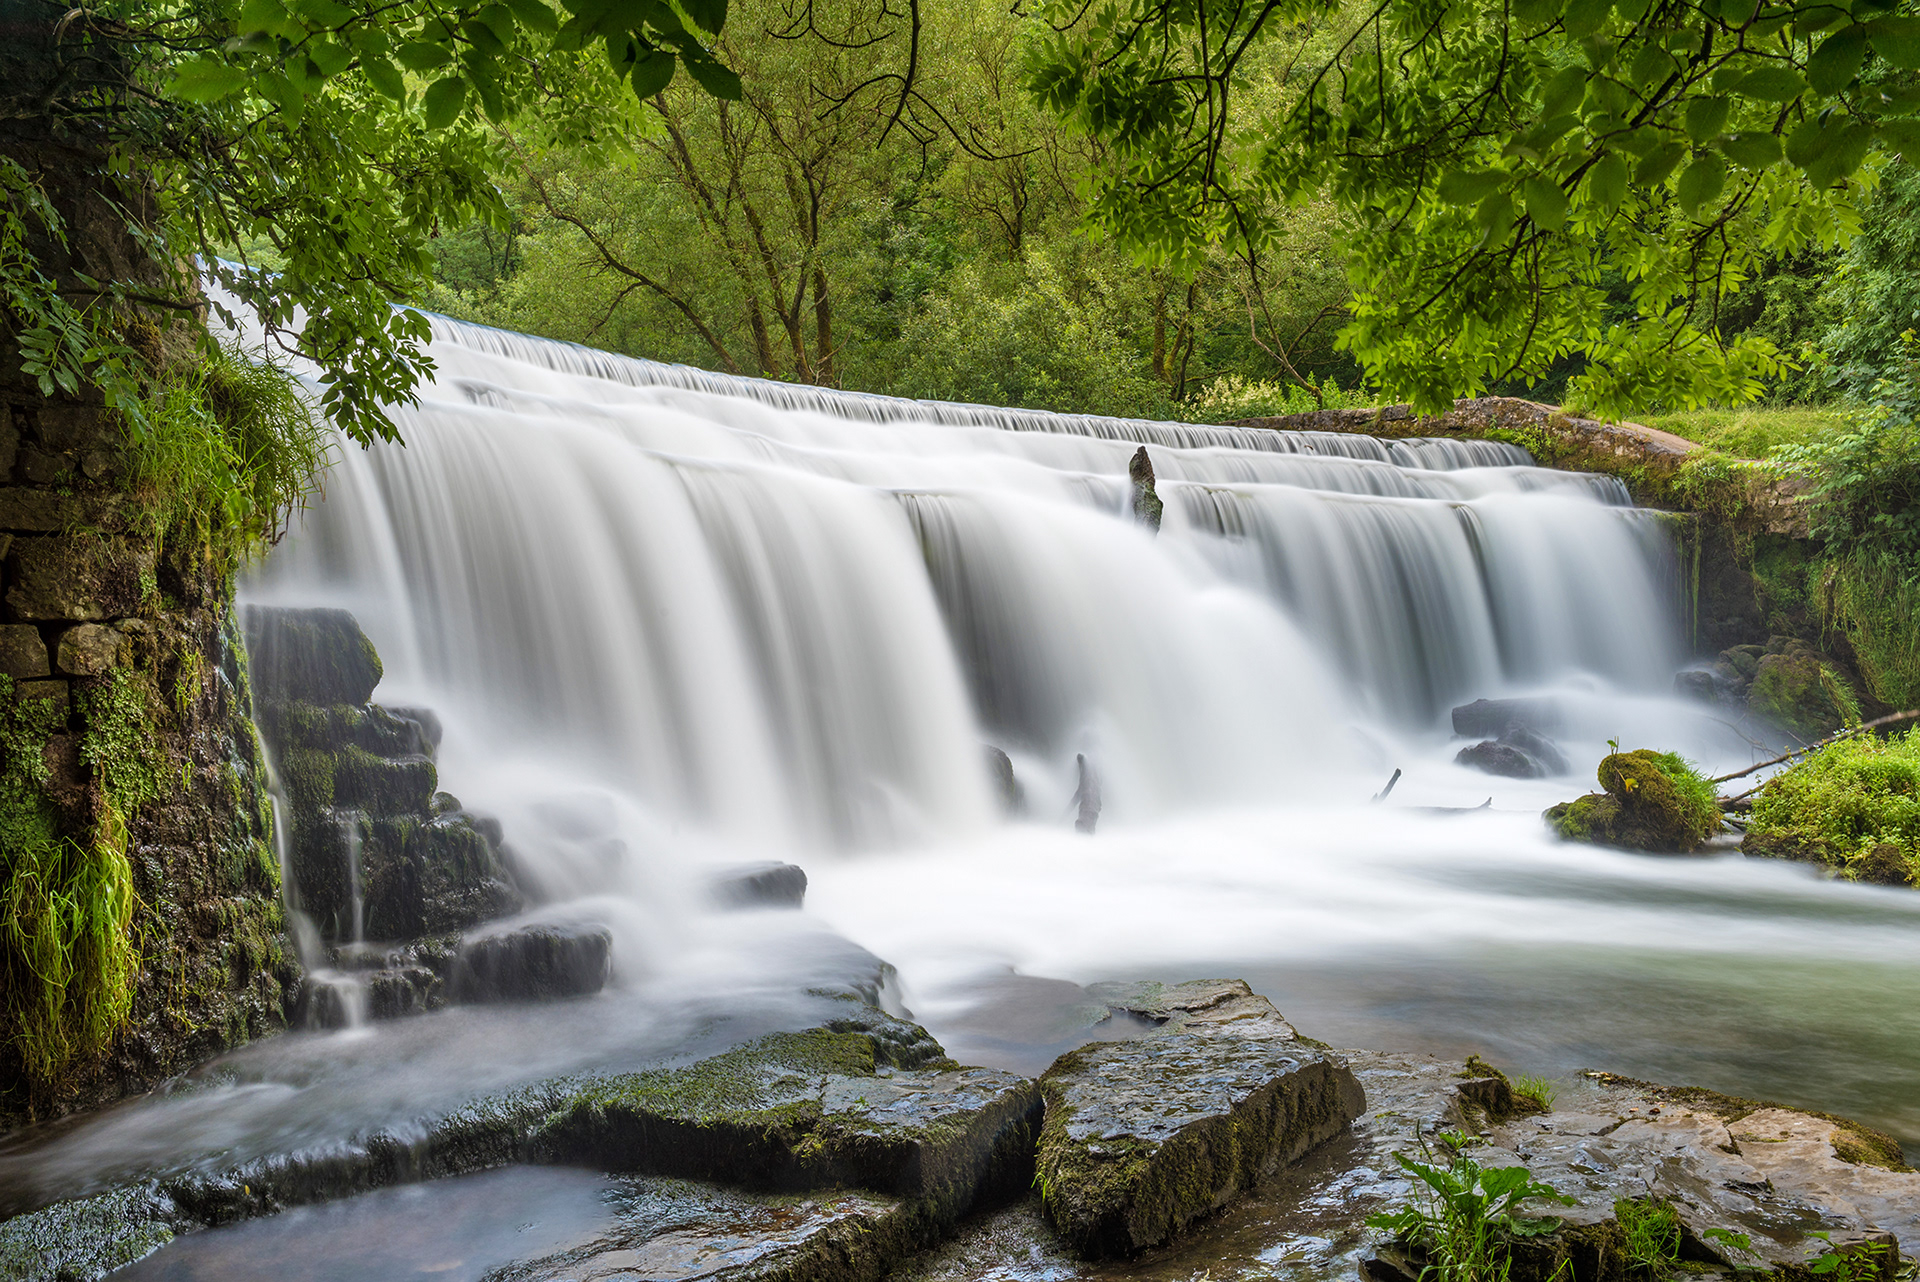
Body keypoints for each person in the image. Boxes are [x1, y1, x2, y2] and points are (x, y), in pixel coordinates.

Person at [1071, 753, 1101, 834]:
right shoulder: (1094, 777)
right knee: (1088, 829)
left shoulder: (1086, 776)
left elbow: (1079, 792)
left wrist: (1070, 806)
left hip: (1088, 809)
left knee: (1081, 826)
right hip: (1093, 810)